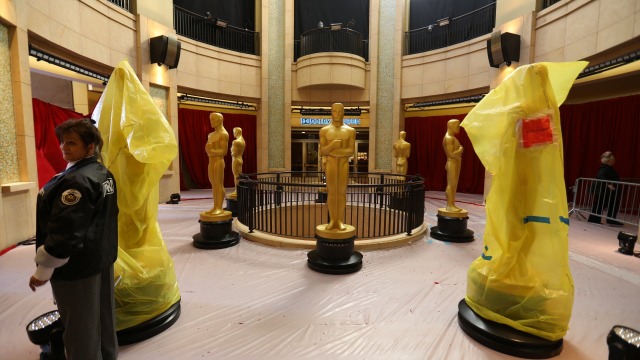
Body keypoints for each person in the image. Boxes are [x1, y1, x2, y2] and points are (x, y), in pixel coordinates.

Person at [29, 118, 119, 360]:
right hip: (100, 259)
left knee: (81, 332)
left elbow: (66, 233)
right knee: (103, 322)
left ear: (90, 147)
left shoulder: (78, 181)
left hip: (77, 267)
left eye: (71, 142)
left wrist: (43, 271)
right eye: (62, 142)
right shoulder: (103, 173)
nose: (63, 147)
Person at [319, 103, 356, 231]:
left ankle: (339, 220)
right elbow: (323, 151)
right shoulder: (324, 130)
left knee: (341, 192)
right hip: (330, 164)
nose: (338, 114)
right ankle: (332, 220)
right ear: (331, 112)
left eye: (340, 111)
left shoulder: (350, 131)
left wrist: (333, 152)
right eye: (335, 111)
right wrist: (333, 145)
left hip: (344, 164)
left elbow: (350, 151)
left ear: (344, 112)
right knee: (331, 192)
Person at [204, 112, 229, 216]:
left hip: (218, 161)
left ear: (219, 120)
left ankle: (219, 207)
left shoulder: (224, 134)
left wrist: (211, 150)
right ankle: (215, 206)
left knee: (218, 184)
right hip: (211, 161)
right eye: (210, 119)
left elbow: (224, 152)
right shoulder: (211, 134)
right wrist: (209, 150)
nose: (211, 122)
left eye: (213, 120)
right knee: (213, 184)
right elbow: (209, 150)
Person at [588, 151, 622, 226]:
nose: (614, 161)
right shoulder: (604, 168)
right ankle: (594, 220)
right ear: (610, 161)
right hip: (604, 191)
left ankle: (611, 220)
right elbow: (600, 176)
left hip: (608, 191)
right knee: (599, 205)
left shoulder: (608, 168)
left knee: (611, 204)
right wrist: (609, 184)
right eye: (613, 160)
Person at [443, 119, 464, 212]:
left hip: (455, 162)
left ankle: (452, 204)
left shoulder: (452, 138)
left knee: (454, 184)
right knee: (451, 184)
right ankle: (449, 205)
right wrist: (460, 149)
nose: (458, 127)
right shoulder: (449, 138)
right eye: (457, 125)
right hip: (452, 162)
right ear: (451, 126)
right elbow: (450, 154)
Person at [228, 127, 246, 199]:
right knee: (238, 176)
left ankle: (237, 191)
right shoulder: (243, 141)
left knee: (236, 176)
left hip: (235, 159)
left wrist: (231, 149)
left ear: (237, 132)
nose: (233, 134)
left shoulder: (235, 142)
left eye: (234, 132)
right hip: (240, 159)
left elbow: (234, 154)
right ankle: (238, 190)